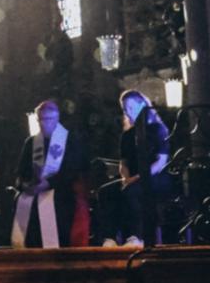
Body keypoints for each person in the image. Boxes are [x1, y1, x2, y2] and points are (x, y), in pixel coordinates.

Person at [12, 99, 91, 248]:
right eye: (40, 119)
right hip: (33, 190)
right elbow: (21, 171)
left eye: (48, 119)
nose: (44, 123)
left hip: (60, 191)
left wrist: (48, 183)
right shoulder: (31, 142)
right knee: (22, 202)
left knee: (55, 206)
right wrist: (24, 184)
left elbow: (73, 171)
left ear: (57, 119)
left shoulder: (69, 140)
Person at [99, 89, 173, 248]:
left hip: (155, 177)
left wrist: (137, 178)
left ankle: (136, 235)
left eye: (132, 107)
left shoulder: (158, 129)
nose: (129, 112)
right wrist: (125, 177)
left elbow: (161, 162)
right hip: (132, 177)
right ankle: (109, 237)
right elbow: (123, 162)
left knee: (133, 191)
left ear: (142, 105)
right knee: (106, 191)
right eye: (125, 109)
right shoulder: (127, 135)